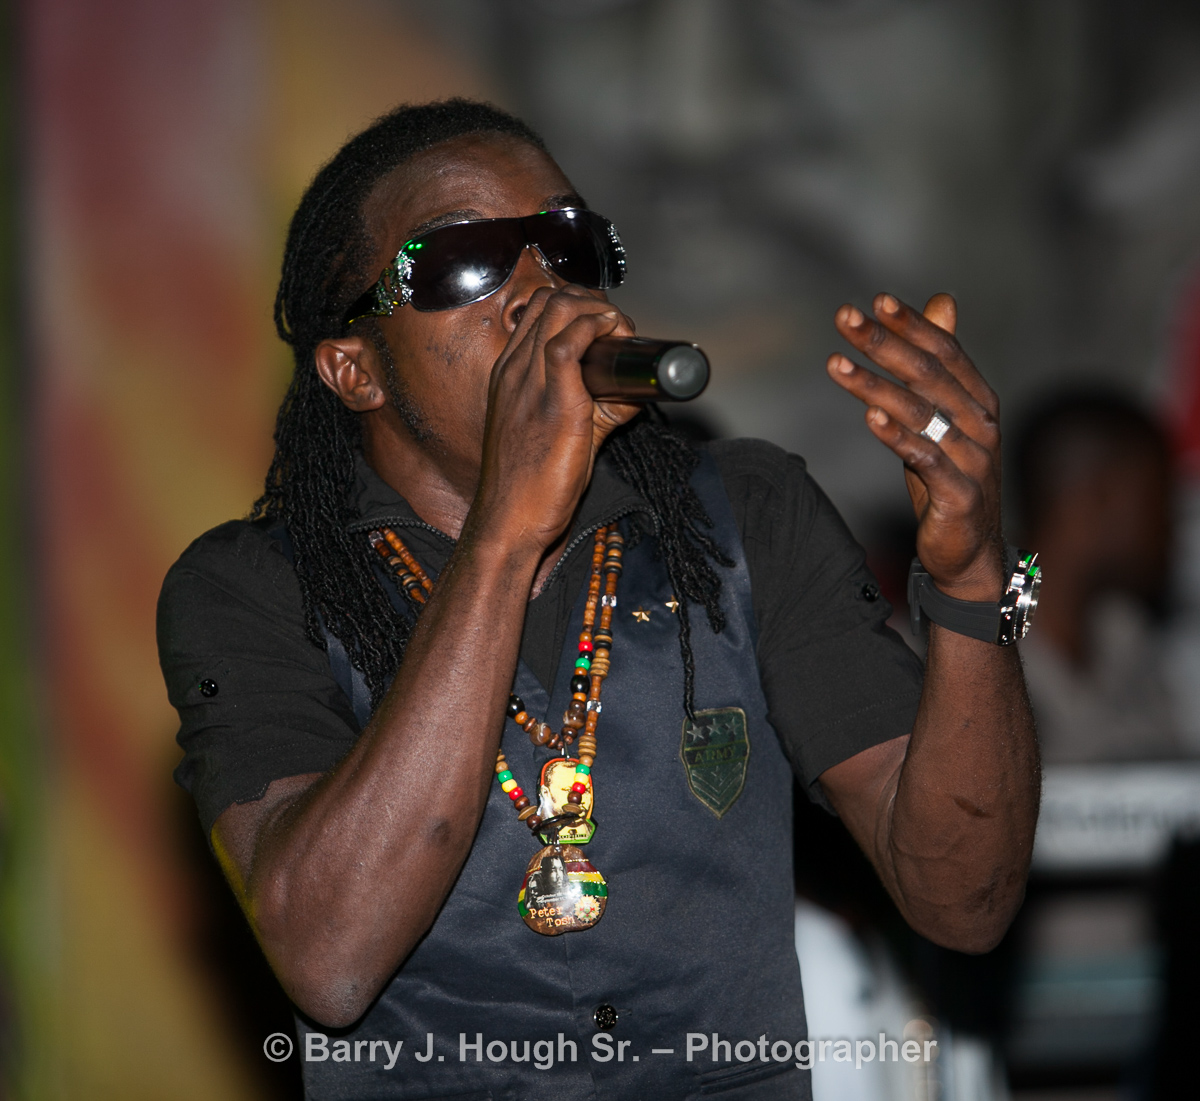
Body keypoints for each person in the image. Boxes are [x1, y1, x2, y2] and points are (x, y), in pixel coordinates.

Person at [157, 100, 1039, 1099]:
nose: (540, 289)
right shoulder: (246, 588)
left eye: (568, 245)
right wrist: (506, 530)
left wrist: (976, 581)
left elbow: (964, 898)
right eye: (465, 262)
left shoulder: (745, 514)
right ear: (355, 369)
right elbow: (329, 959)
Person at [1012, 387, 1182, 763]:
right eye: (1158, 499)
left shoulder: (1125, 635)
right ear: (1096, 498)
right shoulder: (958, 641)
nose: (1169, 528)